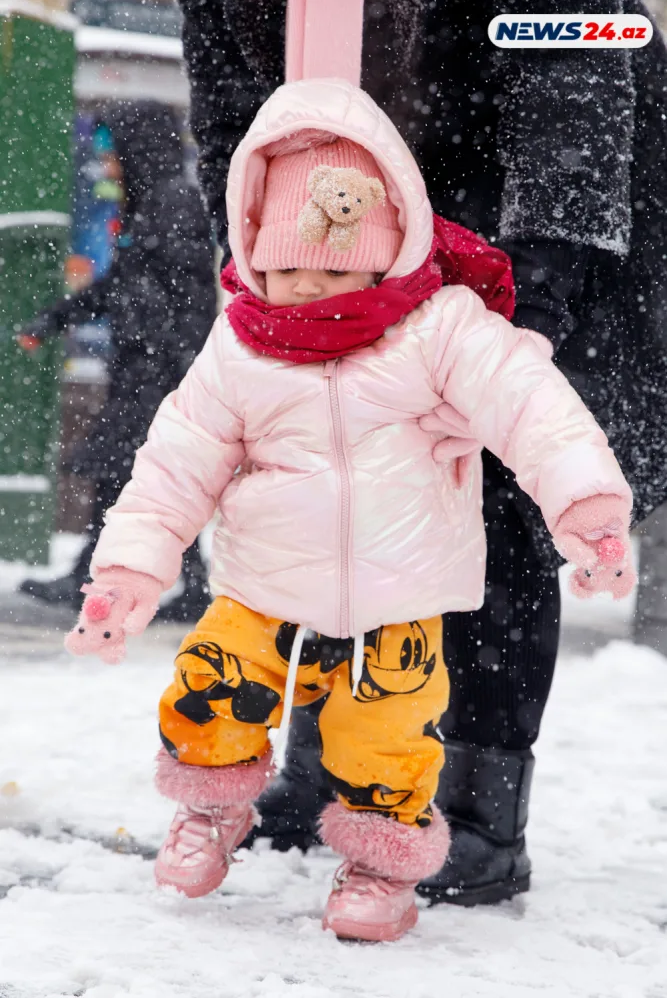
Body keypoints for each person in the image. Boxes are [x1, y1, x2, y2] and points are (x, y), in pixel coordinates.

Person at [64, 77, 634, 942]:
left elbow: (534, 409)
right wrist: (128, 571)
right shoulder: (243, 343)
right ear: (256, 257)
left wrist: (587, 508)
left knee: (390, 735)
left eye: (333, 271)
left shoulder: (439, 330)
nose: (306, 293)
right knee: (210, 689)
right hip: (261, 582)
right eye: (286, 269)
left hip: (401, 594)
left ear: (387, 253)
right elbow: (176, 463)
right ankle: (214, 809)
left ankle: (380, 863)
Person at [175, 0, 667, 905]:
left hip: (522, 221)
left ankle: (480, 817)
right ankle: (328, 770)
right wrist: (257, 262)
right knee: (334, 483)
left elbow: (573, 83)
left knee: (494, 512)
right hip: (333, 230)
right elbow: (229, 114)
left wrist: (538, 295)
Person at [18, 101, 216, 623]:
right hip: (145, 369)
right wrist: (57, 318)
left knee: (133, 474)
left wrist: (161, 359)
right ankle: (160, 580)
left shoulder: (173, 204)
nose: (107, 165)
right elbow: (124, 286)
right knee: (131, 476)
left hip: (157, 374)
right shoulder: (153, 202)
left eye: (110, 151)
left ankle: (110, 575)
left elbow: (184, 296)